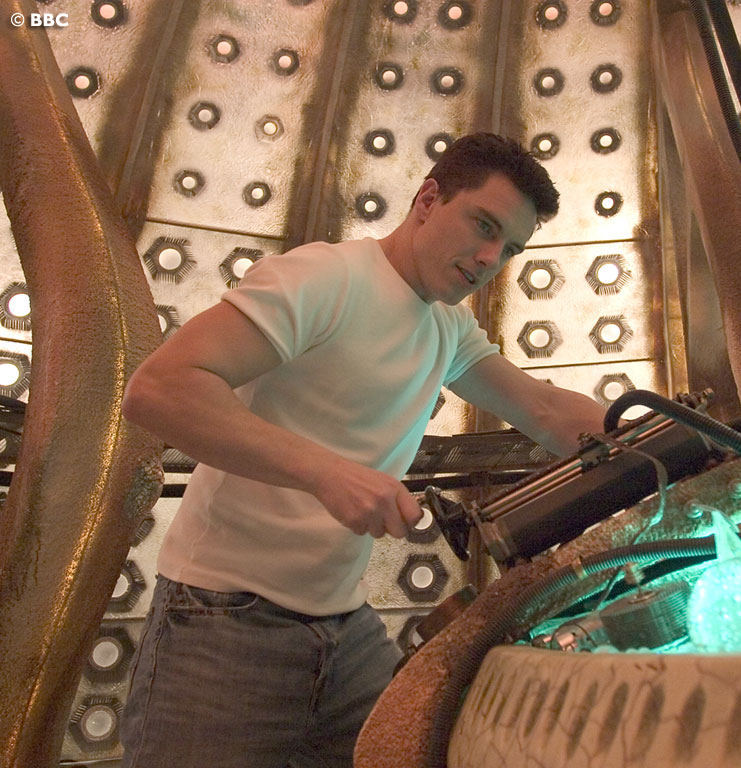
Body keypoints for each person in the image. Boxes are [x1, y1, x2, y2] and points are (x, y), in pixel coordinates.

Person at [119, 133, 608, 767]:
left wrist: (678, 434)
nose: (491, 257)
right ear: (427, 200)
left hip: (344, 628)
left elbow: (543, 409)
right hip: (220, 622)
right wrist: (328, 474)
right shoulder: (326, 278)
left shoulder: (447, 325)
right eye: (483, 225)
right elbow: (159, 390)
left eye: (510, 248)